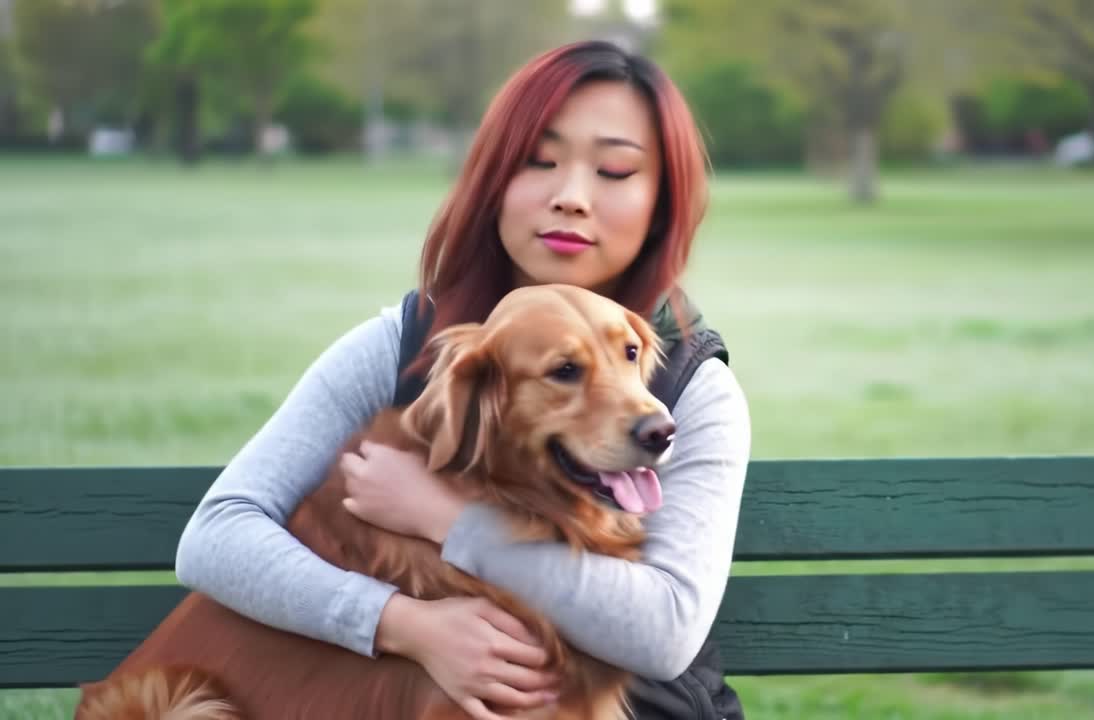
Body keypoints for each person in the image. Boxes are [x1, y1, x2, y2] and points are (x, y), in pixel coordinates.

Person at [174, 40, 751, 720]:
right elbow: (216, 535)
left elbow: (664, 629)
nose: (571, 197)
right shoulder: (401, 347)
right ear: (493, 179)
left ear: (663, 203)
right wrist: (401, 625)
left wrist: (448, 521)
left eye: (616, 170)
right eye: (539, 161)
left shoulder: (691, 387)